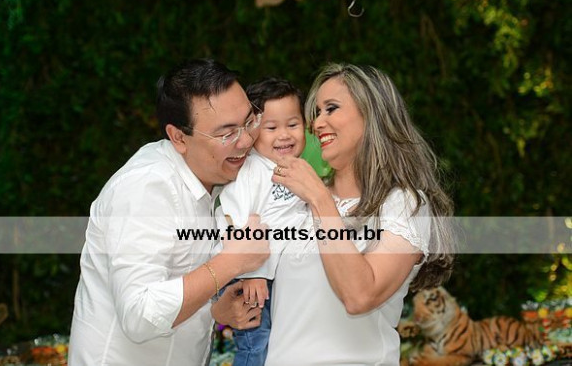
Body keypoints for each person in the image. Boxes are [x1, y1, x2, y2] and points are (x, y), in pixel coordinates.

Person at [69, 59, 270, 366]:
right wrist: (233, 262)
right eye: (227, 133)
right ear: (178, 137)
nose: (245, 141)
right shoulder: (145, 189)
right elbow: (139, 315)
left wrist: (214, 311)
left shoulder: (213, 178)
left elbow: (180, 284)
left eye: (249, 121)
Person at [265, 63, 456, 365]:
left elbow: (360, 296)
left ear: (372, 114)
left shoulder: (404, 204)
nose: (317, 123)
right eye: (316, 112)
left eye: (331, 108)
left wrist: (320, 200)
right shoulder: (296, 200)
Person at [214, 78, 309, 366]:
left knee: (274, 342)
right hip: (247, 275)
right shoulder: (253, 170)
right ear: (252, 130)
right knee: (255, 344)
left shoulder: (295, 169)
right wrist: (251, 272)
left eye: (292, 124)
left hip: (270, 275)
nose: (284, 135)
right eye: (271, 128)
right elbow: (234, 222)